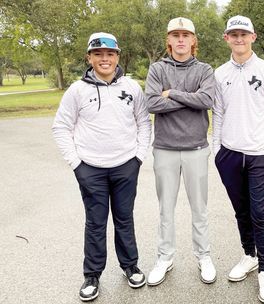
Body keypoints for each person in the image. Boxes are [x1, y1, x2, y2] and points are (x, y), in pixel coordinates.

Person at [52, 32, 151, 302]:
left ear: (117, 56)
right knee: (95, 223)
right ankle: (92, 275)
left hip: (125, 166)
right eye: (98, 54)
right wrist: (76, 164)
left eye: (110, 54)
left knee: (124, 218)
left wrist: (138, 158)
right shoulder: (77, 90)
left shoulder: (131, 88)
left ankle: (130, 266)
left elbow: (144, 122)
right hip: (91, 169)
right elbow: (61, 127)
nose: (104, 58)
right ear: (90, 57)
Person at [212, 15, 264, 304]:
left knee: (262, 215)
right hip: (230, 153)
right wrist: (218, 149)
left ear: (253, 37)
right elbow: (217, 113)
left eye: (244, 34)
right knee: (241, 211)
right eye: (233, 34)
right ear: (227, 38)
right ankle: (249, 255)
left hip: (262, 154)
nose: (239, 38)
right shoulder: (219, 73)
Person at [144, 17, 217, 286]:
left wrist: (172, 92)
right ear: (169, 40)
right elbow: (151, 103)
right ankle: (165, 257)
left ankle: (204, 256)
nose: (181, 40)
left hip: (196, 147)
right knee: (166, 208)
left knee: (199, 208)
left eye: (186, 35)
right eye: (176, 35)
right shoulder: (157, 69)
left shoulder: (205, 69)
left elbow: (207, 100)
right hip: (165, 148)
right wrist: (190, 99)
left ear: (194, 40)